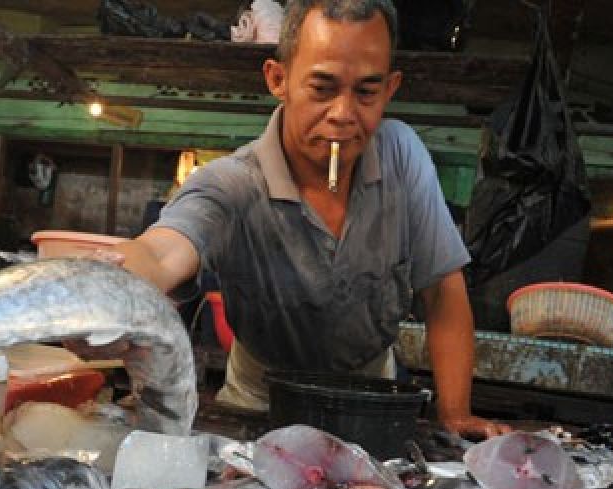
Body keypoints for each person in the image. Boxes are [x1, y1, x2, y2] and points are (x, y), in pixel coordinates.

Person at [107, 0, 509, 439]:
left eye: (366, 93)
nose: (343, 114)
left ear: (390, 89)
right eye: (322, 89)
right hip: (259, 403)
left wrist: (455, 414)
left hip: (369, 399)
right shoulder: (233, 183)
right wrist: (108, 288)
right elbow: (160, 253)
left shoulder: (401, 156)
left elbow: (443, 292)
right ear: (278, 79)